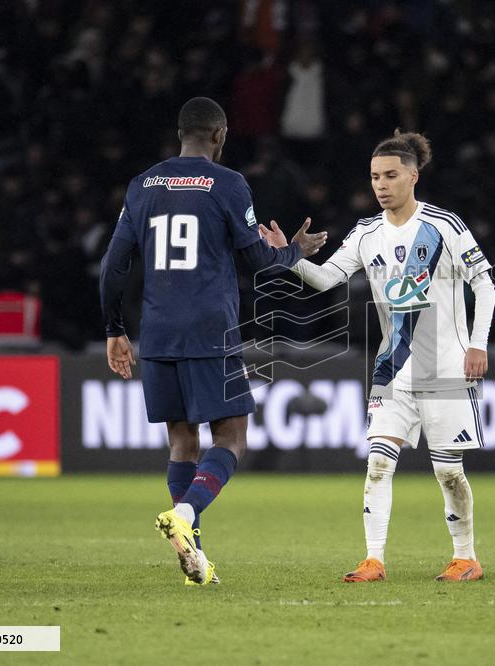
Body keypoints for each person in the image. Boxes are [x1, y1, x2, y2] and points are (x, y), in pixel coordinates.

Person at [99, 97, 327, 585]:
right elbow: (258, 263)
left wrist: (115, 329)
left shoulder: (142, 185)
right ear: (220, 135)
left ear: (180, 134)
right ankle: (185, 514)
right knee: (232, 437)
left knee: (182, 441)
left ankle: (195, 560)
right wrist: (294, 251)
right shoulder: (228, 183)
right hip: (209, 330)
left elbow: (113, 267)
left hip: (157, 332)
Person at [260, 130, 495, 582]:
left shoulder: (444, 225)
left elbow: (484, 283)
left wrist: (478, 344)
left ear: (413, 176)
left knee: (448, 472)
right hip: (393, 368)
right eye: (374, 177)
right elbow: (327, 278)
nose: (381, 185)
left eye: (390, 175)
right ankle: (374, 560)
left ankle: (466, 557)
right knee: (378, 463)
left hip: (445, 367)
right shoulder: (366, 233)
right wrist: (287, 256)